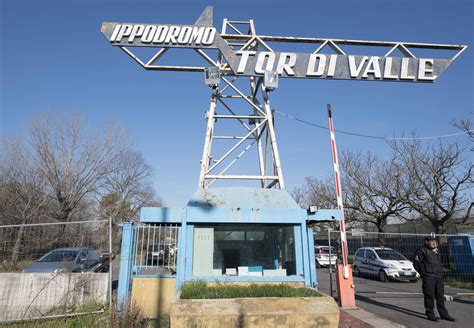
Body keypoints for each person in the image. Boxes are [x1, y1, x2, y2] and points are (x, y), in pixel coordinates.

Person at [413, 236, 456, 322]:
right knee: (429, 296)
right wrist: (424, 273)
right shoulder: (421, 251)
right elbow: (416, 263)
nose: (434, 243)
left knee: (440, 296)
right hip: (428, 277)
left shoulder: (436, 251)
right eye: (432, 241)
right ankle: (430, 314)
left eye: (435, 241)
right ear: (426, 242)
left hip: (438, 277)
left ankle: (444, 314)